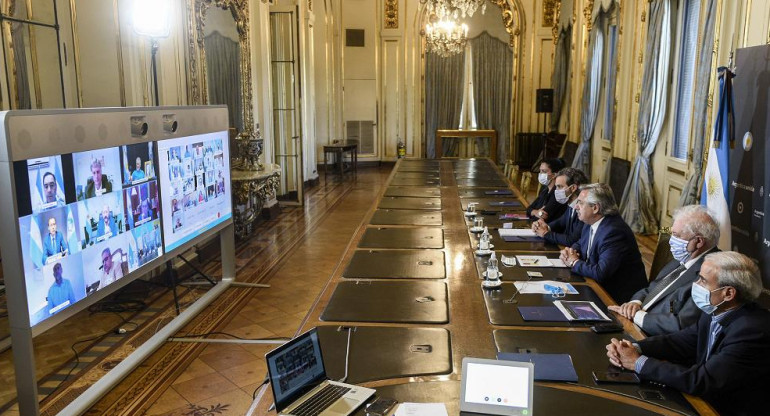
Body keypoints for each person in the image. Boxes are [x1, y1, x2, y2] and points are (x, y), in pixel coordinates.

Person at [606, 251, 770, 416]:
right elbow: (680, 341)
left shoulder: (751, 331)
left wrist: (637, 362)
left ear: (728, 293)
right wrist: (632, 347)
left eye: (703, 281)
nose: (695, 284)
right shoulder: (715, 310)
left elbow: (702, 380)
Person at [609, 205, 719, 335]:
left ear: (699, 242)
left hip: (655, 339)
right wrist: (634, 303)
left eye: (676, 235)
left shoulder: (710, 275)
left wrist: (636, 315)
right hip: (634, 324)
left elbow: (679, 324)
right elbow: (652, 288)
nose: (671, 241)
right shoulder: (683, 258)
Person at [559, 183, 647, 303]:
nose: (576, 207)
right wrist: (571, 251)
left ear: (595, 208)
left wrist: (574, 262)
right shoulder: (591, 221)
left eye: (580, 203)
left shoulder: (614, 232)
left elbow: (601, 272)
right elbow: (581, 243)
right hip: (595, 285)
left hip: (616, 298)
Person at [531, 167, 588, 246]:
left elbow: (572, 240)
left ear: (573, 188)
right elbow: (561, 222)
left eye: (560, 187)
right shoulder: (570, 203)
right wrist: (546, 226)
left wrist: (545, 233)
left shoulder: (585, 210)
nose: (556, 190)